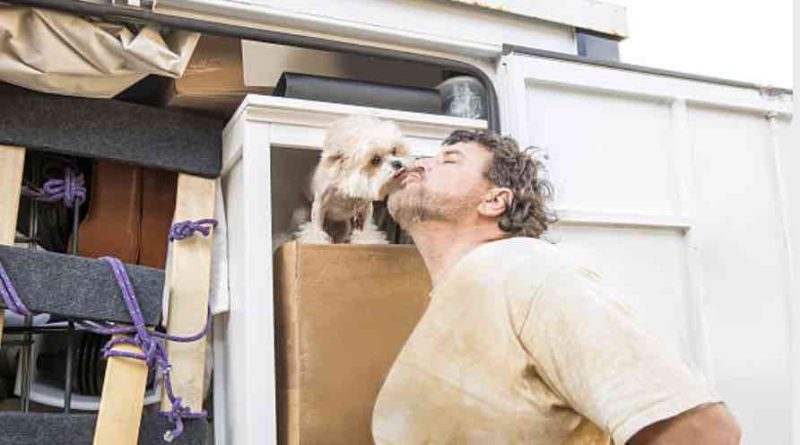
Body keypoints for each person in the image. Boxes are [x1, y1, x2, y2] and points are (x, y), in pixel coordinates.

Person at [372, 130, 741, 444]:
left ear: (495, 200)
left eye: (449, 160)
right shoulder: (458, 295)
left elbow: (703, 432)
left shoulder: (525, 270)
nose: (419, 163)